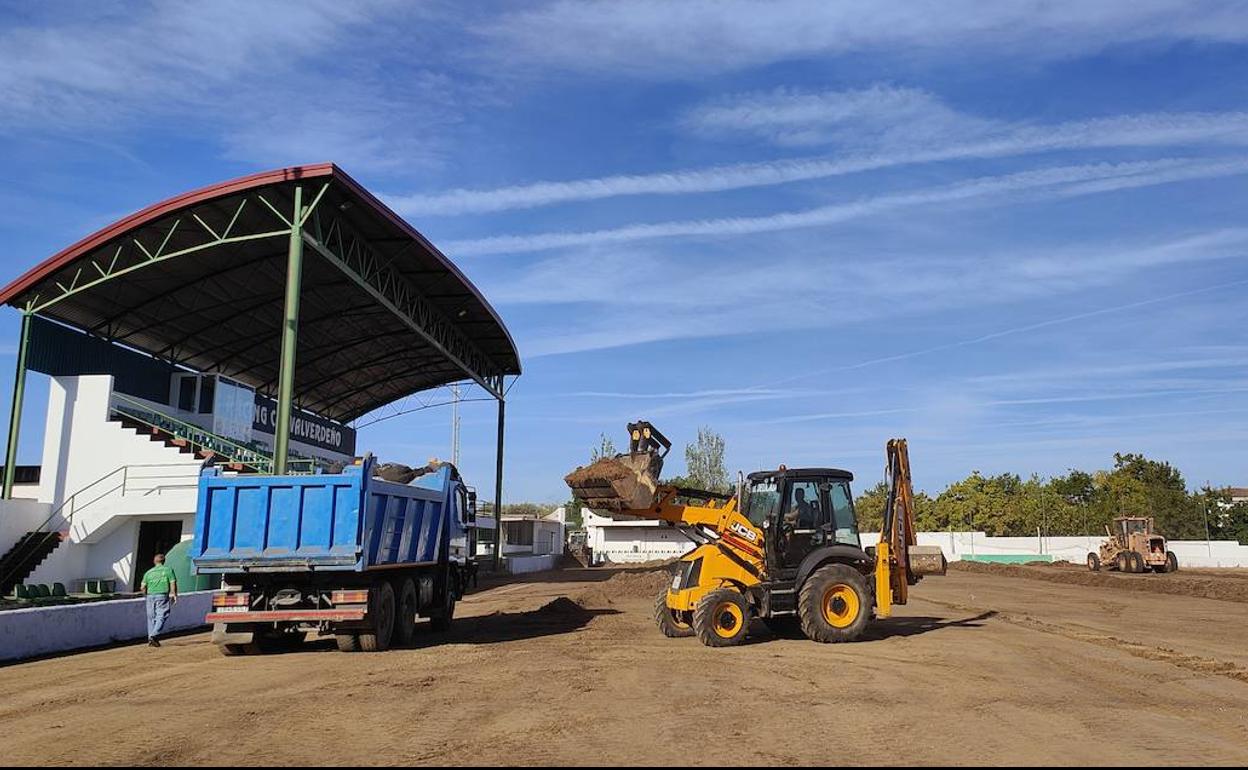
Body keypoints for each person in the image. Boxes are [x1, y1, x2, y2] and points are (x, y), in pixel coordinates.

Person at [140, 553, 178, 647]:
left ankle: (151, 639)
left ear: (154, 561)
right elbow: (172, 583)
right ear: (164, 561)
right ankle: (154, 635)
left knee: (151, 617)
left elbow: (143, 587)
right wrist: (174, 595)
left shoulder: (148, 572)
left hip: (150, 596)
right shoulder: (168, 570)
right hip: (162, 595)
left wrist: (145, 595)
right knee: (161, 615)